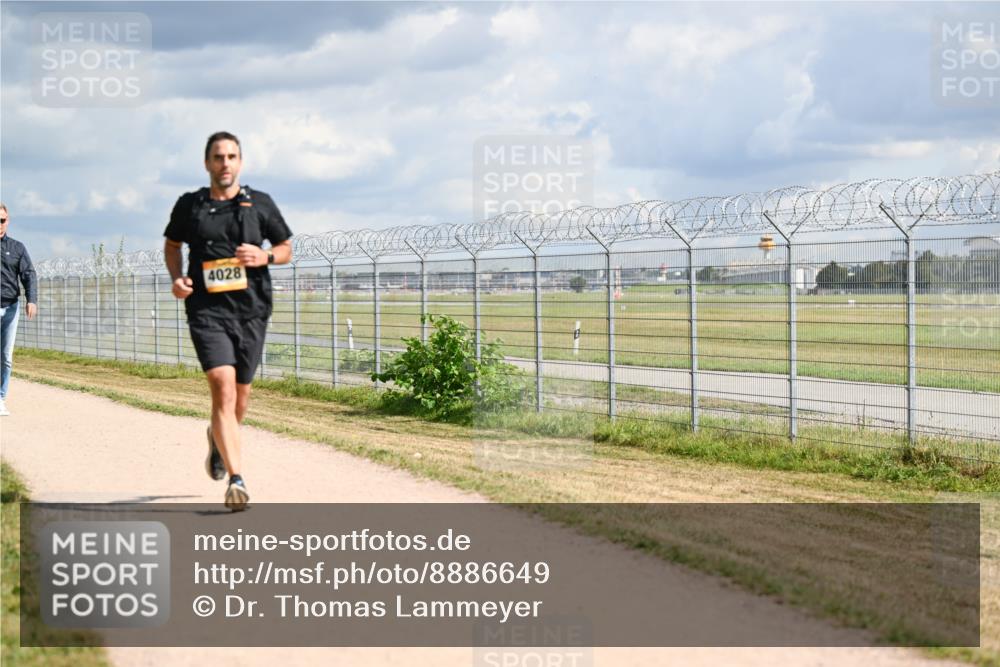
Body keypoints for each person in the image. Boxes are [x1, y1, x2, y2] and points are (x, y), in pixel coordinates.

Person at [164, 132, 292, 510]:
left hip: (252, 310)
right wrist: (177, 278)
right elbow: (172, 246)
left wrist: (265, 257)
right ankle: (237, 480)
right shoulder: (190, 206)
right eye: (218, 157)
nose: (225, 163)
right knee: (222, 388)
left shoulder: (260, 204)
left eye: (231, 156)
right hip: (206, 310)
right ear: (207, 163)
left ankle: (218, 440)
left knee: (240, 398)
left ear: (240, 162)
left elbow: (285, 248)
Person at [0, 203, 38, 417]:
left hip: (10, 308)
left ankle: (0, 398)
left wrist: (31, 300)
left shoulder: (17, 248)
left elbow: (28, 274)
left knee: (5, 356)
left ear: (8, 221)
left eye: (2, 220)